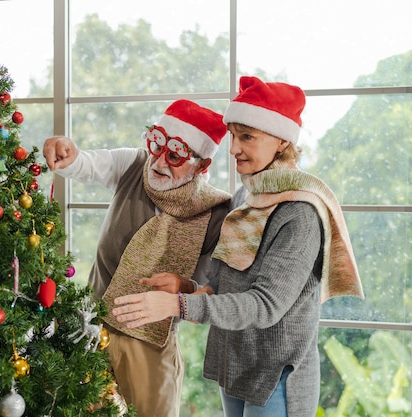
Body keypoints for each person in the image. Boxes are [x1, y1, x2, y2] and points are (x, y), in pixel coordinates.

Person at [111, 76, 364, 417]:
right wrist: (188, 288)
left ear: (281, 141)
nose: (233, 148)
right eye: (232, 135)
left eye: (247, 137)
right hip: (235, 365)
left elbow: (264, 305)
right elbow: (228, 285)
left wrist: (178, 305)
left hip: (276, 377)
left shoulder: (299, 213)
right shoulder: (246, 198)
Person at [42, 99, 231, 417]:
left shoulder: (216, 213)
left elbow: (214, 288)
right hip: (89, 327)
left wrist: (185, 284)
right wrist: (67, 152)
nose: (159, 161)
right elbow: (84, 164)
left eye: (175, 155)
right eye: (156, 144)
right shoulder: (133, 165)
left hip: (148, 343)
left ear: (202, 166)